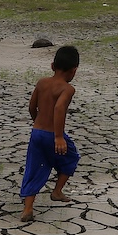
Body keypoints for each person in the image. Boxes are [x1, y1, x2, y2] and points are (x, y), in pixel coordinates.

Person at [19, 45, 80, 222]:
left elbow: (32, 106)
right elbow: (59, 108)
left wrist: (36, 121)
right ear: (74, 71)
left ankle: (28, 208)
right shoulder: (67, 89)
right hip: (53, 135)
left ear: (52, 66)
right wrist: (59, 136)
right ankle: (57, 191)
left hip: (36, 133)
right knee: (71, 158)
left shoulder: (42, 83)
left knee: (34, 167)